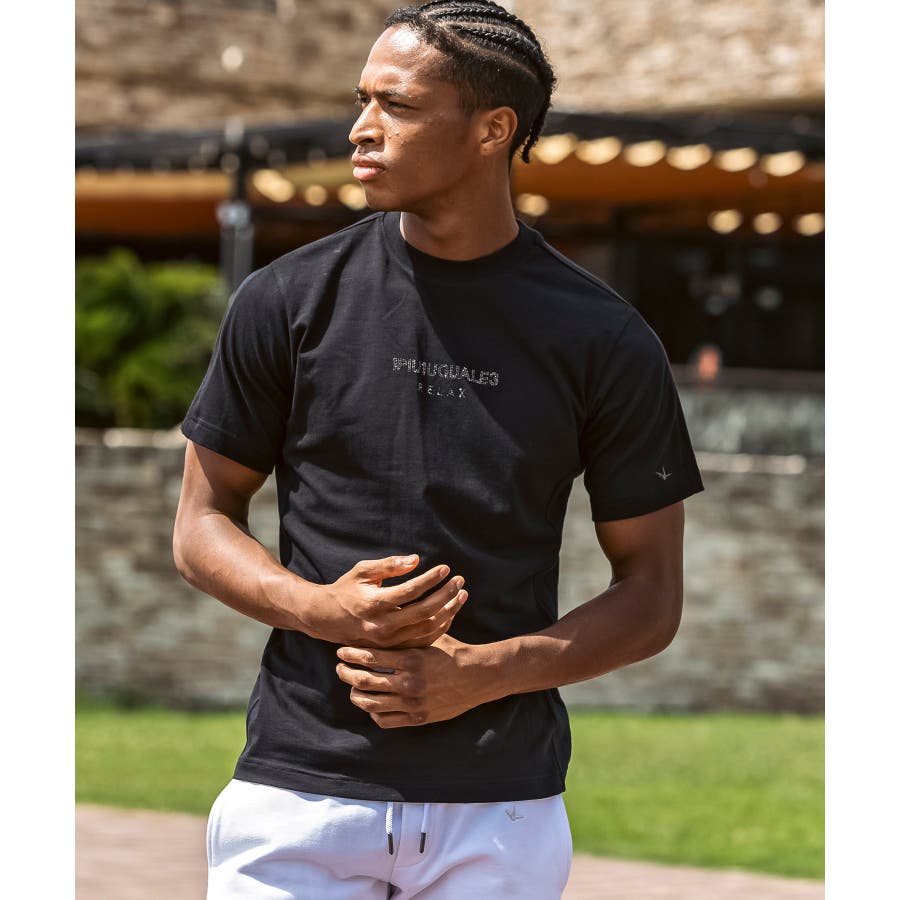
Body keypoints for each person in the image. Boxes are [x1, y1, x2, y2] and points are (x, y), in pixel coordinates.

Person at [173, 2, 705, 897]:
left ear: (493, 130)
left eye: (398, 104)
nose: (361, 128)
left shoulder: (605, 339)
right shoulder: (286, 299)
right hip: (297, 796)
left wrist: (486, 673)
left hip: (498, 815)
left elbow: (651, 594)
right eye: (362, 100)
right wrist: (318, 608)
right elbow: (200, 523)